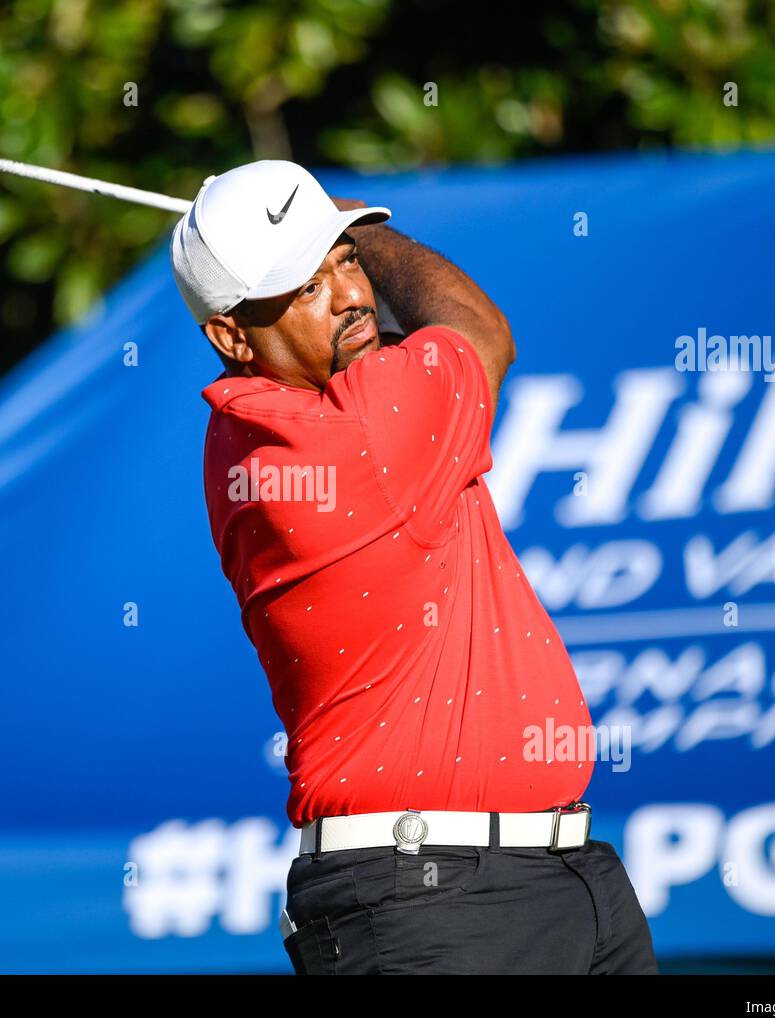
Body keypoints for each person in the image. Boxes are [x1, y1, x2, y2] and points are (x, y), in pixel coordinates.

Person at [170, 159, 658, 974]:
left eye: (345, 264)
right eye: (303, 287)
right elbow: (480, 329)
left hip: (559, 876)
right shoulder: (356, 436)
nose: (351, 294)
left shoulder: (261, 425)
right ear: (229, 335)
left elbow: (382, 341)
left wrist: (329, 251)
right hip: (431, 905)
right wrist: (370, 233)